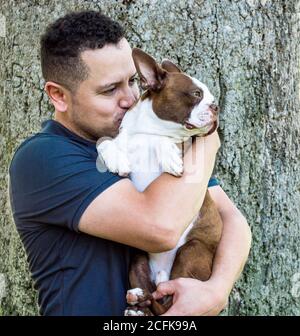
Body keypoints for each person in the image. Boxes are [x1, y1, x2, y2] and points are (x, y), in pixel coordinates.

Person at [9, 10, 251, 316]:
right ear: (58, 96)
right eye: (110, 90)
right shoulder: (43, 158)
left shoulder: (155, 138)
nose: (131, 98)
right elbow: (161, 228)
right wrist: (207, 140)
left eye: (133, 81)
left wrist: (216, 290)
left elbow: (231, 218)